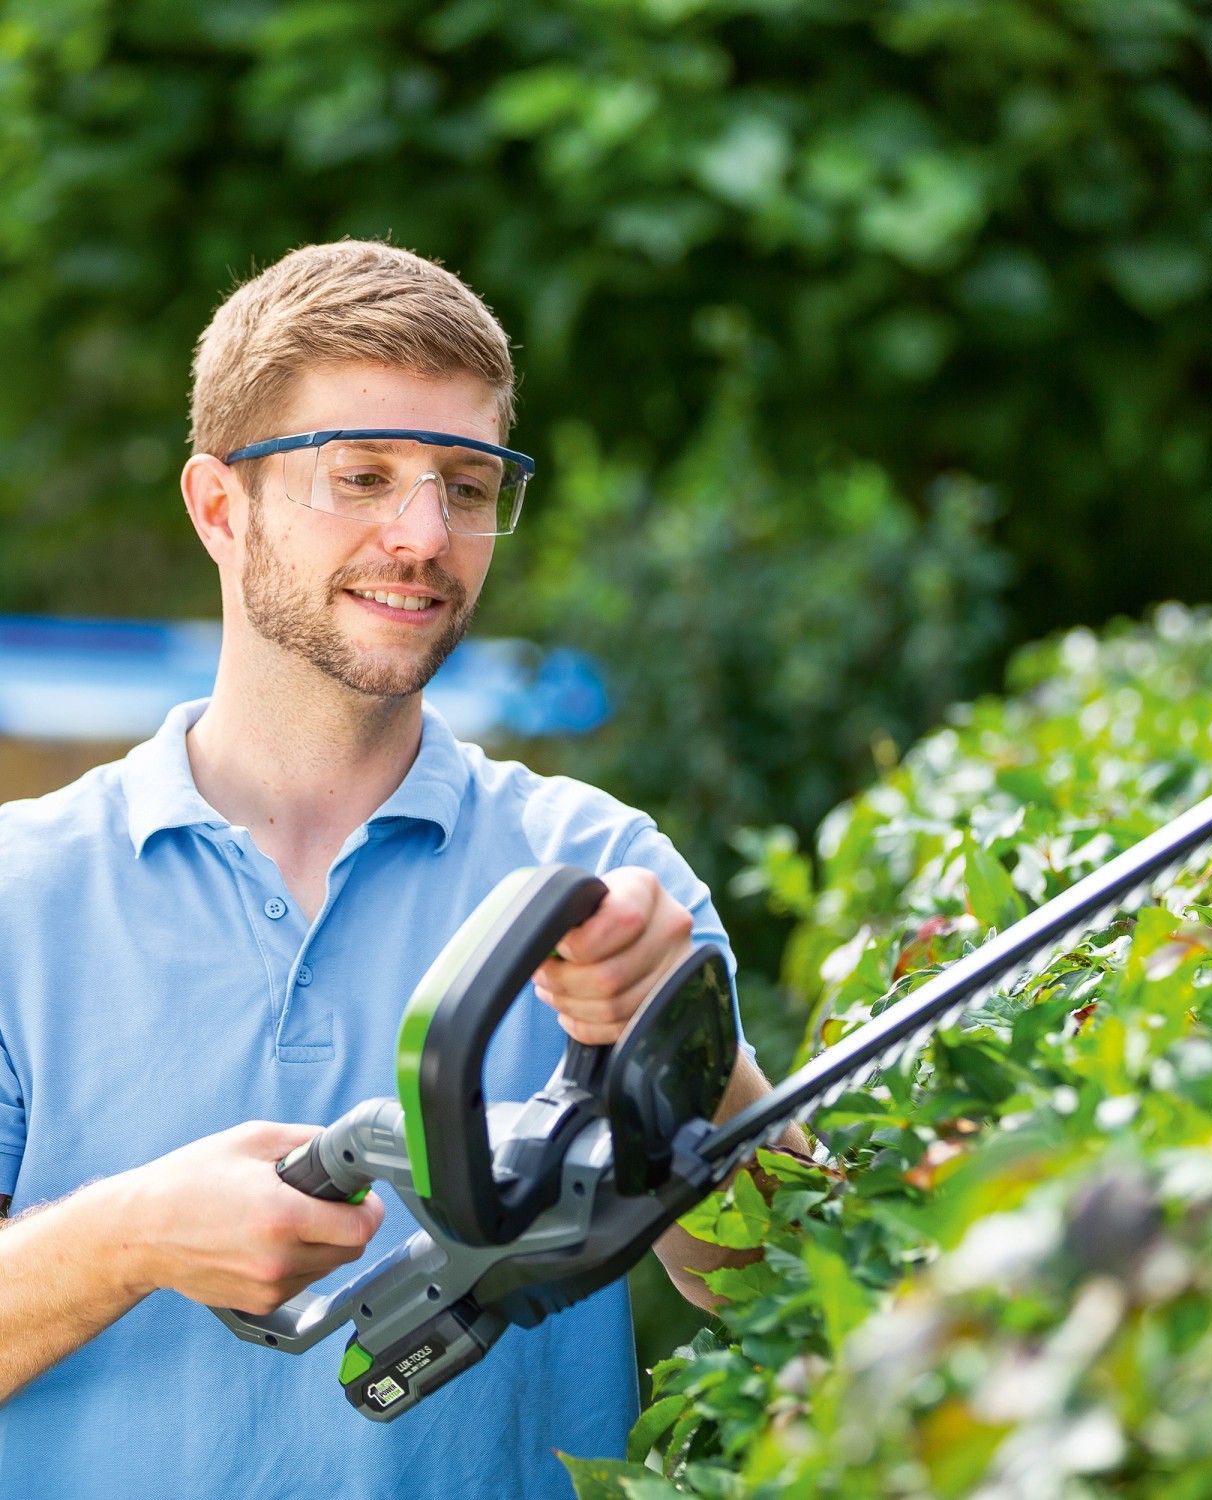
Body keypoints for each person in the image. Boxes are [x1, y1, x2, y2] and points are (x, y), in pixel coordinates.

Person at [0, 241, 800, 1497]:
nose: (425, 535)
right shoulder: (17, 899)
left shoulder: (599, 870)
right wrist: (127, 1236)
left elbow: (789, 1294)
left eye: (467, 485)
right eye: (362, 474)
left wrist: (683, 1060)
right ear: (220, 507)